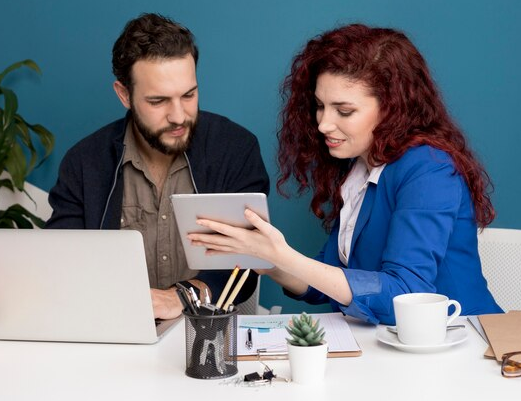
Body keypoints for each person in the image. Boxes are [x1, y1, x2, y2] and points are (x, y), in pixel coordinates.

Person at [189, 24, 503, 325]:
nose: (323, 123)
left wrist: (283, 255)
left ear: (392, 108)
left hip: (464, 347)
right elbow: (326, 278)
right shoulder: (359, 166)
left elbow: (406, 296)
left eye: (344, 111)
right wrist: (268, 262)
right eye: (319, 106)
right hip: (394, 350)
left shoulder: (430, 170)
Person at [46, 13, 269, 319]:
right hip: (114, 333)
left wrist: (182, 296)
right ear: (124, 94)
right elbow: (62, 262)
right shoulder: (84, 163)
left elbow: (247, 262)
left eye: (189, 95)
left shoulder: (235, 149)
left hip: (209, 336)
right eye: (158, 101)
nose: (178, 116)